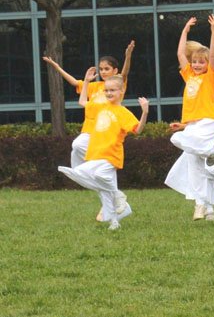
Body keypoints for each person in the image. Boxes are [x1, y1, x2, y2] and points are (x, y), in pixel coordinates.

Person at [43, 41, 135, 221]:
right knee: (79, 148)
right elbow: (73, 83)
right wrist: (55, 65)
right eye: (101, 69)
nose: (103, 72)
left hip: (105, 137)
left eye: (107, 69)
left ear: (115, 72)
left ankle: (113, 204)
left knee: (90, 159)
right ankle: (113, 200)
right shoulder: (94, 87)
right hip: (90, 134)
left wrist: (128, 55)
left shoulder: (115, 88)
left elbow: (125, 73)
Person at [58, 68, 149, 230]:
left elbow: (138, 130)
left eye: (112, 90)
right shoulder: (100, 107)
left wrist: (145, 112)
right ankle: (114, 221)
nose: (108, 93)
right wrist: (86, 82)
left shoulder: (123, 113)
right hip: (95, 153)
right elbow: (82, 102)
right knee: (103, 192)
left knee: (89, 174)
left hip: (111, 155)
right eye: (106, 90)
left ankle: (117, 195)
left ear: (121, 92)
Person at [165, 15, 214, 221]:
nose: (197, 65)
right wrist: (185, 31)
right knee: (195, 169)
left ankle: (211, 150)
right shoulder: (189, 75)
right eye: (195, 61)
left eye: (201, 62)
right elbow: (180, 53)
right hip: (192, 126)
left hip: (207, 124)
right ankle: (204, 206)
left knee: (176, 140)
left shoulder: (210, 77)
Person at [167, 73, 214, 221]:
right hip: (202, 145)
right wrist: (181, 126)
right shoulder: (203, 104)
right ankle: (209, 209)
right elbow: (195, 124)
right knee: (205, 176)